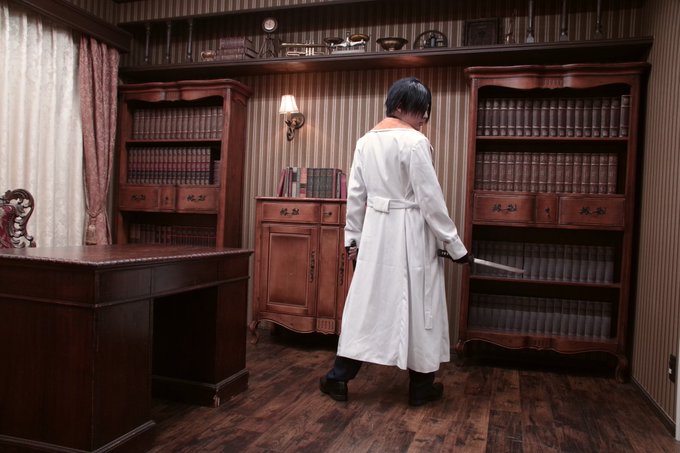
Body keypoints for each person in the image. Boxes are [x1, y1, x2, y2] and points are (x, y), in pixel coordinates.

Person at [319, 77, 473, 407]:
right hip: (411, 234)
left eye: (426, 111)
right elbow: (431, 202)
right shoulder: (416, 143)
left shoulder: (365, 142)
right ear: (400, 107)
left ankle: (338, 378)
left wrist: (352, 240)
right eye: (421, 110)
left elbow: (356, 197)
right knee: (419, 305)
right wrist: (456, 246)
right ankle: (421, 387)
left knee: (366, 306)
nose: (424, 118)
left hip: (376, 234)